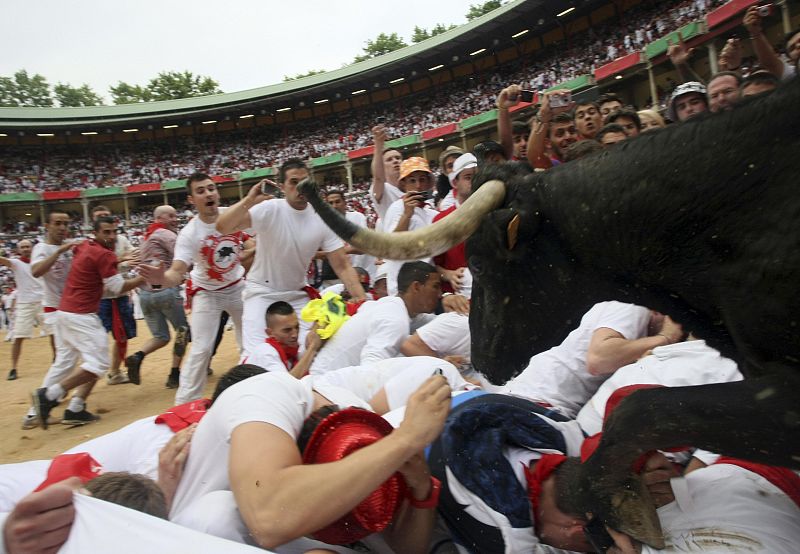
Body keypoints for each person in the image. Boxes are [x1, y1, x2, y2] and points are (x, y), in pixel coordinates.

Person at [169, 370, 451, 552]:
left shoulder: (370, 439)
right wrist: (404, 440)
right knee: (215, 516)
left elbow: (406, 549)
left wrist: (421, 490)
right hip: (188, 532)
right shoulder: (263, 396)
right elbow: (269, 519)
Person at [215, 158, 366, 356]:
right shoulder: (270, 209)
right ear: (282, 186)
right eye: (294, 182)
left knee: (309, 352)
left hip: (296, 293)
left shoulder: (323, 217)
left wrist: (361, 299)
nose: (300, 188)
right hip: (261, 292)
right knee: (255, 355)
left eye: (305, 182)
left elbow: (343, 265)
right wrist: (249, 199)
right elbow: (222, 227)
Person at [139, 173, 247, 405]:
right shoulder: (189, 233)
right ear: (191, 199)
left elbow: (253, 238)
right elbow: (177, 271)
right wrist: (162, 279)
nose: (208, 194)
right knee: (201, 349)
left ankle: (251, 388)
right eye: (201, 191)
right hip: (207, 292)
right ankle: (184, 404)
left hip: (238, 287)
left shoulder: (234, 214)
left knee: (250, 341)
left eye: (211, 188)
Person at [31, 216, 146, 428]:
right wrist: (144, 278)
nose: (112, 236)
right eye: (106, 232)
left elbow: (91, 263)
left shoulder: (84, 245)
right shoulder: (103, 254)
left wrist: (117, 260)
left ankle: (73, 408)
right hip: (81, 315)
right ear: (96, 233)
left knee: (67, 363)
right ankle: (49, 395)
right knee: (98, 363)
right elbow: (117, 287)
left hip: (65, 313)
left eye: (114, 232)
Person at [501, 301, 683, 419]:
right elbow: (598, 359)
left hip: (542, 406)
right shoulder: (634, 306)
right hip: (537, 403)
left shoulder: (639, 336)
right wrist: (666, 338)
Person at [309, 261, 443, 374]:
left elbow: (431, 322)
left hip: (324, 378)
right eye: (435, 287)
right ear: (416, 287)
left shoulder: (389, 307)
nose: (439, 294)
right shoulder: (394, 318)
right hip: (325, 385)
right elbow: (370, 370)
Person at [21, 211, 87, 429]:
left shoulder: (69, 246)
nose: (62, 227)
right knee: (87, 357)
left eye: (65, 224)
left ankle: (38, 409)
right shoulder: (42, 248)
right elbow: (36, 271)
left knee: (66, 361)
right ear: (47, 225)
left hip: (69, 309)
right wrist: (58, 252)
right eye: (57, 223)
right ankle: (67, 404)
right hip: (58, 311)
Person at [125, 205, 190, 389]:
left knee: (160, 336)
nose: (175, 219)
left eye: (175, 215)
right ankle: (174, 374)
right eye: (170, 216)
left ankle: (138, 355)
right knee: (183, 331)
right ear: (159, 218)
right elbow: (184, 256)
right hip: (166, 290)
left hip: (146, 294)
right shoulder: (166, 234)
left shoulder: (146, 238)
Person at [91, 206, 138, 386]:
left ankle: (115, 371)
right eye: (100, 216)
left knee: (122, 336)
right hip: (100, 298)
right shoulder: (91, 245)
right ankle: (89, 375)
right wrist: (122, 261)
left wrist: (124, 261)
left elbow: (134, 255)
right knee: (97, 338)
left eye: (106, 215)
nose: (104, 218)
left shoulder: (122, 239)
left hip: (120, 294)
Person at [383, 158, 438, 295]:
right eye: (412, 181)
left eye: (422, 180)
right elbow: (391, 245)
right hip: (403, 288)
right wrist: (407, 215)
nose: (418, 185)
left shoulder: (431, 213)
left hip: (426, 285)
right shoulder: (397, 208)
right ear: (404, 184)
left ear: (428, 183)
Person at [0, 240, 48, 381]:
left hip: (43, 301)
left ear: (32, 248)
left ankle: (56, 361)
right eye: (23, 247)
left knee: (53, 333)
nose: (26, 249)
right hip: (25, 304)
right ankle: (14, 368)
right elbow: (2, 260)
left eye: (27, 246)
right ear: (18, 250)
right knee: (18, 336)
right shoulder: (16, 263)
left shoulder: (40, 262)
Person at [433, 153, 477, 295]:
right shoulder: (441, 219)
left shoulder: (493, 213)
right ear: (455, 182)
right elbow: (433, 265)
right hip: (457, 299)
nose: (474, 182)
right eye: (468, 177)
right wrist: (448, 275)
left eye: (477, 177)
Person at [242, 301, 322, 378]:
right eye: (287, 330)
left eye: (297, 327)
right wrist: (312, 348)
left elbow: (313, 334)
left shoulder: (291, 345)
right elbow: (287, 382)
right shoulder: (266, 352)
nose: (295, 334)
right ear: (270, 333)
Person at [526, 89, 578, 169]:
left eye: (572, 131)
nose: (568, 136)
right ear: (548, 143)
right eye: (560, 134)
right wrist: (543, 116)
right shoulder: (553, 166)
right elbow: (535, 157)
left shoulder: (588, 152)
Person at [369, 124, 404, 230]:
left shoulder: (415, 185)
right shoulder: (384, 190)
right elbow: (378, 178)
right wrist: (378, 144)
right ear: (382, 167)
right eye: (389, 160)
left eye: (398, 158)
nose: (395, 161)